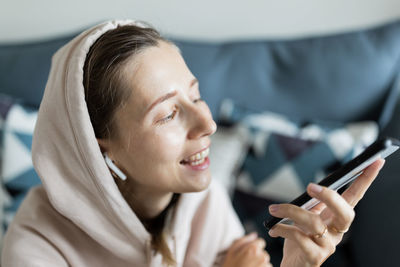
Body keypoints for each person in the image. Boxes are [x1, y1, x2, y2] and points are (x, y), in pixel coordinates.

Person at [1, 20, 385, 267]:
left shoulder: (203, 201)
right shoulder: (34, 250)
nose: (209, 123)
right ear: (99, 148)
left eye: (196, 96)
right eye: (167, 114)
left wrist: (297, 266)